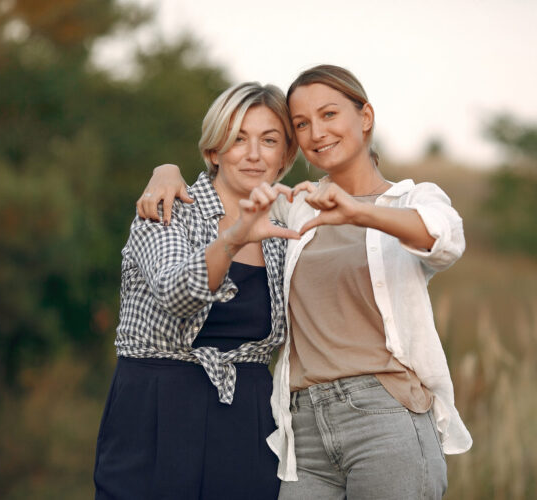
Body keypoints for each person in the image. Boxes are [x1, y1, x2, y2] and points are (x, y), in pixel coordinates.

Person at [139, 64, 472, 499]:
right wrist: (166, 170)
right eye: (302, 124)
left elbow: (444, 238)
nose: (317, 132)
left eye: (329, 115)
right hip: (303, 429)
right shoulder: (297, 206)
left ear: (365, 117)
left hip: (384, 414)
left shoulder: (411, 201)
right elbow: (231, 186)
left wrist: (359, 212)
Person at [94, 82, 300, 499]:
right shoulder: (167, 208)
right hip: (155, 407)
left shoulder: (288, 226)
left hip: (247, 417)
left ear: (285, 157)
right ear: (214, 151)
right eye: (238, 138)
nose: (254, 153)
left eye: (269, 140)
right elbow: (177, 292)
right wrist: (237, 235)